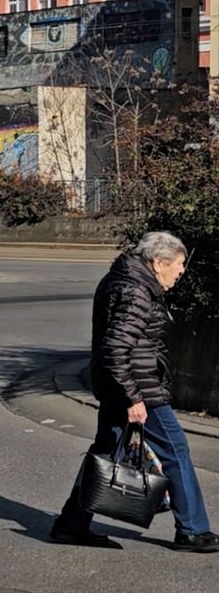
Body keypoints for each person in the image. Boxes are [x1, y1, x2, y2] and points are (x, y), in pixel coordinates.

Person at [51, 231, 219, 552]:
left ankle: (71, 524)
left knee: (106, 451)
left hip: (120, 386)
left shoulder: (122, 281)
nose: (182, 271)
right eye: (179, 264)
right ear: (158, 262)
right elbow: (115, 348)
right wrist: (134, 397)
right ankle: (192, 529)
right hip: (139, 389)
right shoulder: (137, 292)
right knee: (176, 451)